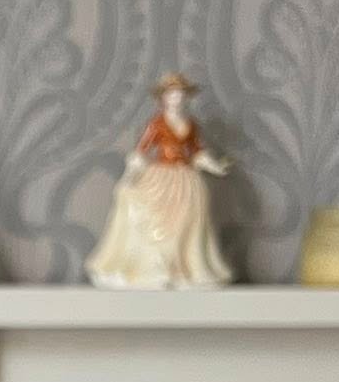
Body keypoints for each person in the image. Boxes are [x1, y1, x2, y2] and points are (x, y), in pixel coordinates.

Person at [86, 72, 233, 289]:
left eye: (181, 93)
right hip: (161, 175)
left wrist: (216, 166)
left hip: (185, 177)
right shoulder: (157, 123)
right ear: (163, 98)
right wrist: (129, 177)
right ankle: (155, 266)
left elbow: (197, 152)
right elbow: (141, 152)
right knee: (148, 212)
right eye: (172, 93)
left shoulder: (190, 125)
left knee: (190, 214)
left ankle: (182, 267)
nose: (177, 98)